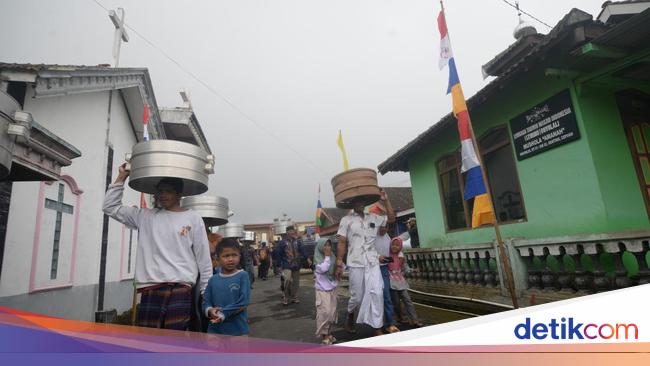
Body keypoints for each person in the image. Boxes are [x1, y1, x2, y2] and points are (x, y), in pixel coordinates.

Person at [102, 164, 212, 330]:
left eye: (168, 191)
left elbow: (203, 258)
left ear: (179, 194)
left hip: (180, 288)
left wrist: (206, 292)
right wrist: (121, 177)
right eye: (160, 191)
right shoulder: (145, 216)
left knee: (174, 342)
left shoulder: (193, 218)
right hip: (150, 288)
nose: (162, 195)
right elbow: (109, 207)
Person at [335, 189, 395, 336]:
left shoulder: (374, 217)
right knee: (357, 297)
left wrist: (385, 200)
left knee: (377, 293)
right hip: (355, 261)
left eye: (362, 200)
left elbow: (392, 219)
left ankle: (377, 327)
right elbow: (342, 242)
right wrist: (338, 262)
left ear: (365, 202)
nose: (359, 203)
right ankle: (350, 315)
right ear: (352, 203)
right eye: (356, 201)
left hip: (372, 260)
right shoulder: (346, 220)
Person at [202, 238, 251, 336]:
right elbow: (206, 301)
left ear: (239, 256)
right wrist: (210, 310)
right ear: (217, 258)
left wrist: (222, 314)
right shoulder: (212, 280)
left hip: (238, 331)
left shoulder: (243, 276)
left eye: (234, 255)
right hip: (215, 330)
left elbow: (243, 302)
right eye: (226, 256)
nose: (230, 259)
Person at [388, 237, 423, 327]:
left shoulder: (401, 256)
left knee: (407, 300)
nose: (394, 247)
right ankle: (400, 318)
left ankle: (414, 319)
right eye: (393, 244)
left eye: (397, 245)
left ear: (400, 246)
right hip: (391, 282)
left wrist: (413, 270)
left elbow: (405, 269)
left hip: (400, 281)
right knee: (396, 302)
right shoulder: (387, 255)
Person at [374, 225, 400, 334]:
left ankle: (390, 323)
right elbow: (365, 251)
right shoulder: (371, 236)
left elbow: (392, 250)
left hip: (384, 268)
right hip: (373, 269)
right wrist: (377, 257)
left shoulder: (387, 237)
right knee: (375, 298)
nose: (384, 229)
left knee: (387, 297)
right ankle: (377, 326)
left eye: (386, 227)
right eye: (382, 226)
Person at [313, 238, 339, 345]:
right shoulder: (318, 259)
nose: (327, 247)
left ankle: (329, 333)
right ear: (320, 247)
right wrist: (327, 257)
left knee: (332, 313)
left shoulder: (332, 257)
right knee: (325, 312)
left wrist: (340, 268)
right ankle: (324, 335)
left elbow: (339, 267)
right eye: (325, 245)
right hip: (322, 290)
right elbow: (324, 269)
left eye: (329, 245)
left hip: (332, 288)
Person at [277, 225, 309, 305]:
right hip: (286, 264)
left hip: (296, 264)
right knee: (287, 279)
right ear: (287, 232)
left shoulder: (298, 241)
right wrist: (279, 265)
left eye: (292, 231)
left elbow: (303, 250)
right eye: (290, 231)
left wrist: (307, 258)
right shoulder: (282, 242)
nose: (292, 232)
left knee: (296, 282)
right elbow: (279, 254)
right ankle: (286, 297)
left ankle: (294, 297)